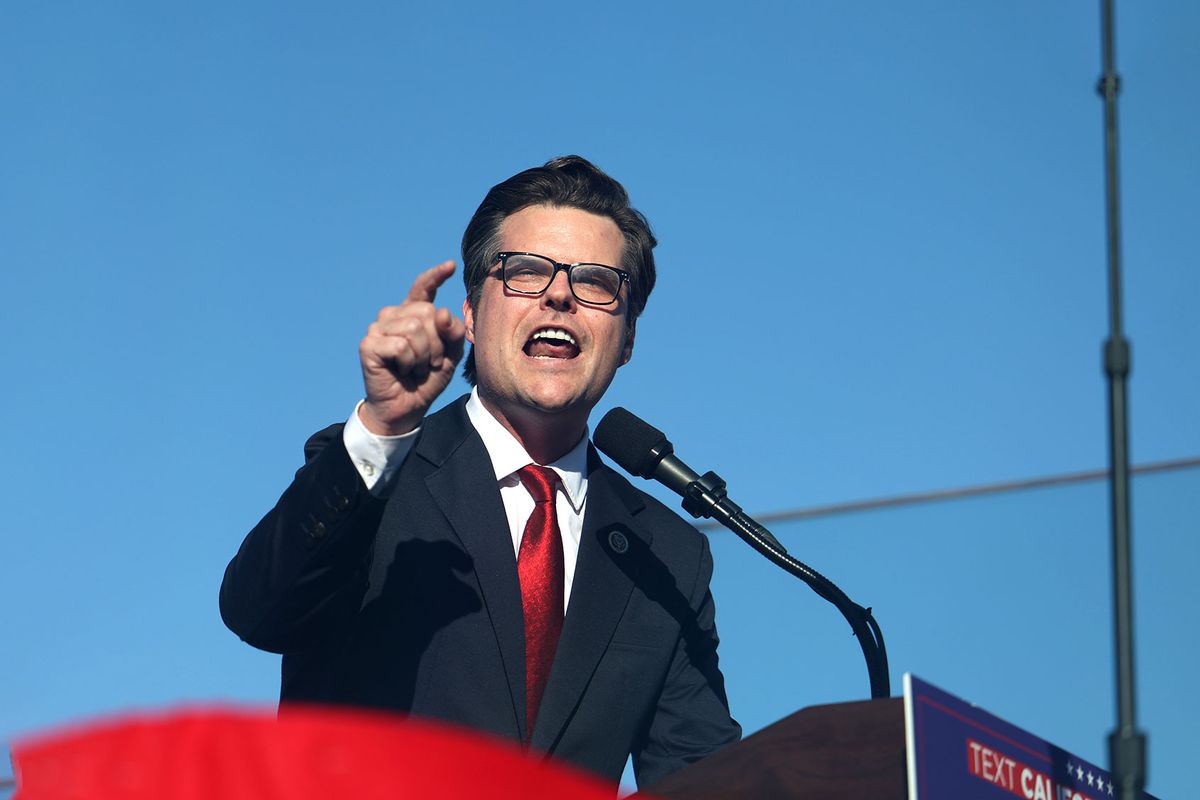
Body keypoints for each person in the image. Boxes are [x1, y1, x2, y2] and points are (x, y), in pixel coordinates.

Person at [220, 156, 741, 787]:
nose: (558, 295)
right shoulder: (374, 474)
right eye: (525, 272)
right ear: (470, 312)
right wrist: (383, 428)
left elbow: (705, 775)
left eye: (597, 283)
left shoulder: (668, 556)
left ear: (627, 338)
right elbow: (258, 612)